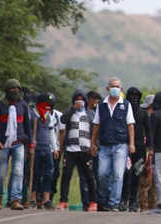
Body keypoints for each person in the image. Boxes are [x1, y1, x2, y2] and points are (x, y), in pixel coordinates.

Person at [90, 77, 136, 212]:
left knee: (118, 174)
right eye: (112, 86)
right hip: (104, 145)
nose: (115, 89)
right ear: (107, 89)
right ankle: (107, 197)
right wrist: (92, 143)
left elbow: (130, 126)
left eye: (117, 87)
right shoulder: (101, 105)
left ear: (121, 89)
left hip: (121, 145)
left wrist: (131, 144)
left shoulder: (126, 105)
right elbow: (96, 125)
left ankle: (114, 203)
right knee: (102, 174)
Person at [0, 79, 33, 210]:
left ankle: (15, 199)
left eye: (18, 88)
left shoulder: (23, 106)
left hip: (19, 143)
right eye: (13, 89)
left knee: (18, 171)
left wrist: (30, 145)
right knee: (1, 173)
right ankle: (0, 197)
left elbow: (27, 127)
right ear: (7, 91)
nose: (16, 91)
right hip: (3, 144)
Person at [59, 90, 98, 212]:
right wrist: (73, 109)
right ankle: (63, 201)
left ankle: (92, 202)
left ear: (85, 101)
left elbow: (95, 130)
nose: (79, 101)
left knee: (89, 177)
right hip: (70, 150)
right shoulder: (69, 112)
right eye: (77, 99)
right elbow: (63, 120)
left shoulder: (90, 114)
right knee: (66, 176)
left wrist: (94, 145)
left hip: (85, 150)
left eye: (82, 99)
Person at [120, 87, 153, 212]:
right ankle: (124, 200)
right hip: (125, 147)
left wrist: (150, 146)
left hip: (140, 149)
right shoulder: (123, 111)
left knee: (137, 175)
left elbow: (148, 130)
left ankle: (134, 202)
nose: (134, 99)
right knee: (125, 174)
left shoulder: (143, 114)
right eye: (131, 96)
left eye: (136, 96)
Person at [28, 92, 59, 210]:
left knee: (48, 174)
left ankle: (46, 200)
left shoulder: (49, 116)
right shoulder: (31, 115)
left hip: (47, 149)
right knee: (34, 174)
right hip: (35, 149)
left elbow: (51, 132)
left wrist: (54, 148)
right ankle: (32, 199)